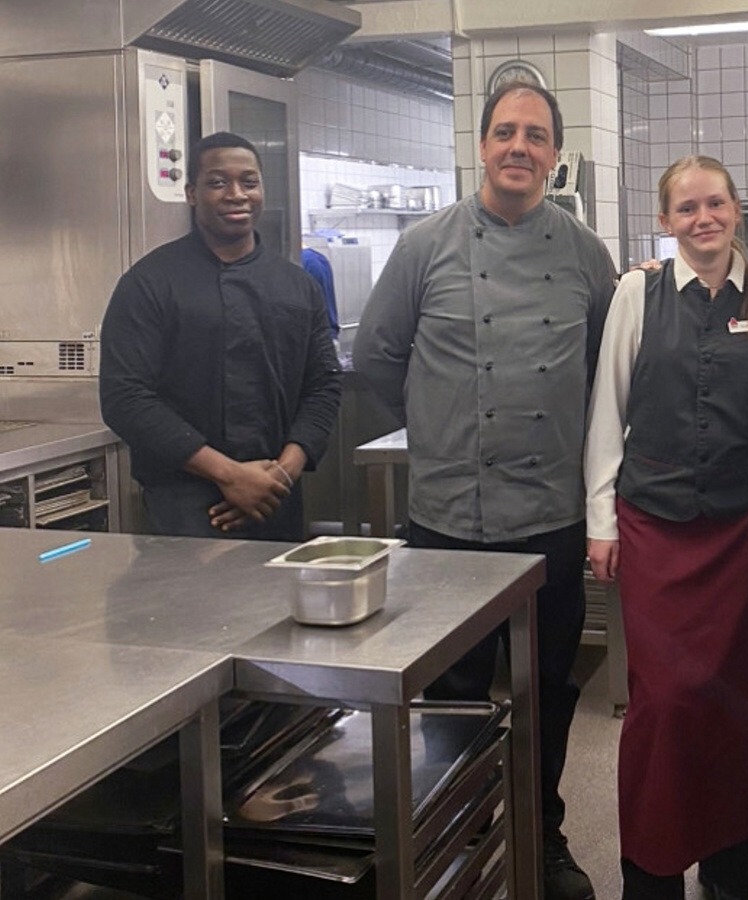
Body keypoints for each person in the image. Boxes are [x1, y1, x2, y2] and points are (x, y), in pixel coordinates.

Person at [352, 80, 616, 900]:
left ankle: (541, 831)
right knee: (452, 694)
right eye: (505, 132)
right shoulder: (424, 245)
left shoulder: (586, 254)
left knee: (548, 693)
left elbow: (605, 375)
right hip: (448, 521)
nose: (518, 148)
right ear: (481, 146)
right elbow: (377, 358)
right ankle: (460, 832)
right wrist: (441, 427)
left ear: (555, 154)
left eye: (535, 135)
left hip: (550, 520)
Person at [583, 155, 748, 900]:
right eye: (687, 208)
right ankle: (653, 871)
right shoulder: (637, 292)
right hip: (655, 525)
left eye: (716, 204)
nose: (704, 219)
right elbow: (609, 406)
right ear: (665, 221)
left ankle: (731, 870)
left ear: (736, 209)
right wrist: (601, 518)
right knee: (663, 704)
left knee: (734, 701)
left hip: (738, 530)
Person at [100, 131, 341, 542]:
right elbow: (125, 397)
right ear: (192, 194)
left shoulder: (297, 285)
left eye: (249, 182)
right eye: (217, 182)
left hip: (276, 495)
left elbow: (324, 384)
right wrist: (229, 474)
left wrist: (283, 472)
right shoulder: (150, 282)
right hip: (183, 505)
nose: (236, 194)